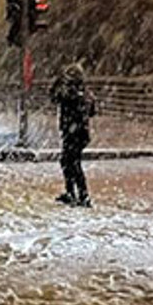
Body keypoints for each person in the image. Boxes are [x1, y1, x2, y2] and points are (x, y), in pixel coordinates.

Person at [51, 64, 95, 207]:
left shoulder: (70, 92)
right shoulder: (86, 92)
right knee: (69, 162)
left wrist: (57, 83)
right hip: (80, 133)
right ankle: (75, 193)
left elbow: (54, 97)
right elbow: (93, 111)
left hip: (73, 133)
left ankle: (81, 195)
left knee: (71, 163)